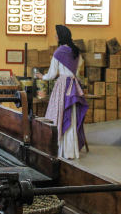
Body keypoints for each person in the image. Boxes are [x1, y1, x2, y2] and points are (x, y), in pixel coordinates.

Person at [35, 25, 88, 159]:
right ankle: (71, 151)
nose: (55, 36)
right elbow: (78, 71)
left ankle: (61, 150)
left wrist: (42, 77)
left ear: (61, 36)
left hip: (63, 86)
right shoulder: (76, 52)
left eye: (56, 34)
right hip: (74, 86)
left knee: (59, 115)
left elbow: (52, 74)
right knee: (72, 116)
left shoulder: (59, 52)